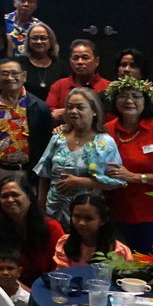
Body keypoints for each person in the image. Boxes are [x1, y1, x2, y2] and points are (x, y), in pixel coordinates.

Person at [101, 77, 153, 249]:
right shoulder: (106, 130)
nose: (129, 101)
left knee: (150, 269)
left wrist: (137, 177)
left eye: (136, 96)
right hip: (117, 213)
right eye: (123, 96)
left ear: (145, 101)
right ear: (114, 100)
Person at [0, 58, 54, 218]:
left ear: (24, 76)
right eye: (4, 74)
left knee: (23, 219)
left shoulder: (39, 107)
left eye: (14, 73)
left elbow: (46, 146)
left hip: (25, 173)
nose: (9, 77)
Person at [33, 87, 125, 225]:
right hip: (54, 211)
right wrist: (41, 202)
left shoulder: (105, 142)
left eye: (80, 107)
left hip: (86, 215)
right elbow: (44, 172)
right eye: (70, 107)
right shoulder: (58, 137)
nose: (73, 111)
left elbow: (115, 183)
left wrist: (80, 181)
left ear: (94, 111)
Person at [0, 173, 65, 286]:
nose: (10, 200)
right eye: (4, 196)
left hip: (47, 287)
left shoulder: (52, 228)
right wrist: (26, 294)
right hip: (8, 287)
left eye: (15, 195)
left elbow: (59, 268)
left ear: (30, 197)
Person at [54, 193, 133, 267]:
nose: (81, 223)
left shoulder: (118, 251)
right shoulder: (65, 243)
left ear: (103, 220)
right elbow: (61, 276)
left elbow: (124, 278)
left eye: (88, 219)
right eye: (77, 216)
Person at [46, 39, 111, 123]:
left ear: (96, 61)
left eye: (85, 58)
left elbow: (111, 120)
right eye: (75, 58)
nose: (80, 62)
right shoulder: (59, 85)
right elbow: (50, 114)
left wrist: (64, 113)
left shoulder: (108, 87)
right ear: (70, 61)